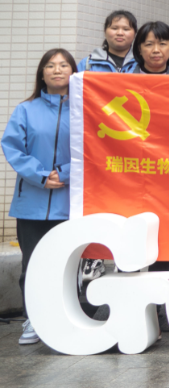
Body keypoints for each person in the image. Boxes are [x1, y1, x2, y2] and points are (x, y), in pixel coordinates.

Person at [4, 49, 76, 345]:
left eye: (63, 65)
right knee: (32, 264)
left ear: (73, 72)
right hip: (32, 203)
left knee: (66, 264)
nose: (57, 70)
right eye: (50, 65)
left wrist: (65, 173)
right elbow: (12, 148)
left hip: (70, 202)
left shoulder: (84, 110)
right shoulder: (26, 110)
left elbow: (94, 148)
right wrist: (42, 175)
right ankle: (33, 319)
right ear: (42, 74)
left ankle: (66, 317)